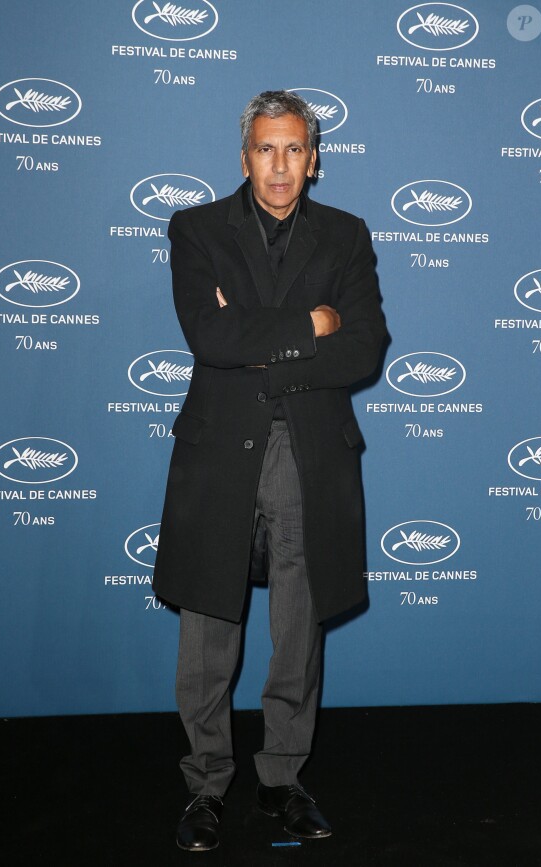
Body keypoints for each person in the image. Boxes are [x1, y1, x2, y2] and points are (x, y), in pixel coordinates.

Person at [152, 90, 386, 852]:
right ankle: (205, 786)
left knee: (297, 623)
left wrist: (267, 349)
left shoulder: (348, 237)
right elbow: (209, 334)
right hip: (221, 448)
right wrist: (311, 327)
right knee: (209, 623)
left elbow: (364, 348)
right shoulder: (194, 229)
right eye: (265, 149)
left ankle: (283, 779)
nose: (279, 165)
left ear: (313, 158)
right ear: (244, 154)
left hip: (309, 449)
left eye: (293, 150)